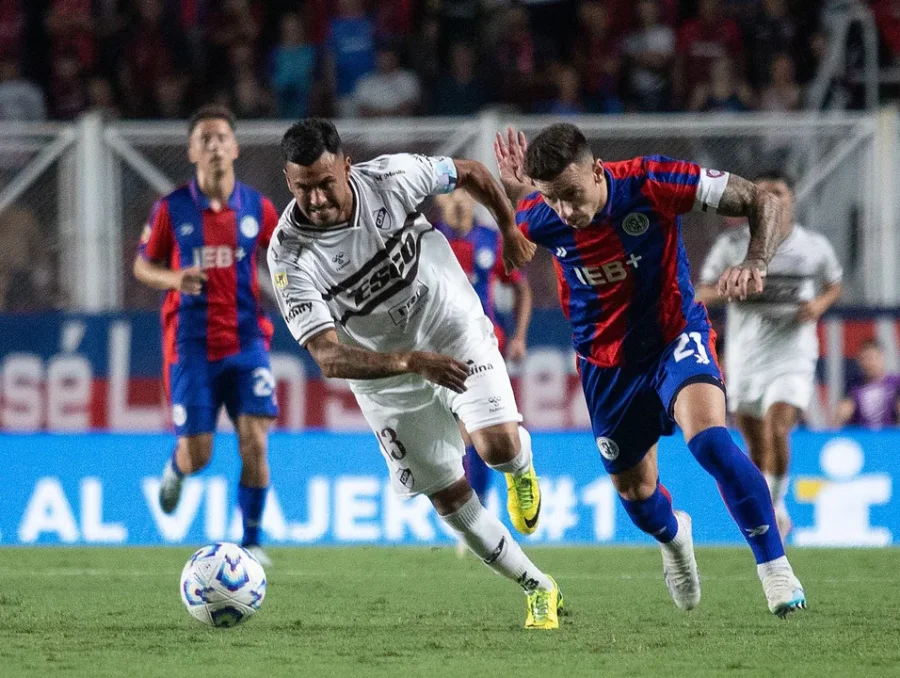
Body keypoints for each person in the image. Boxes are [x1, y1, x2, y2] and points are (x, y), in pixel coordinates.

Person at [495, 122, 806, 618]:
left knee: (710, 441)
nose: (566, 211)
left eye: (572, 194)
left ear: (598, 171)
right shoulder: (541, 215)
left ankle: (775, 569)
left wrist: (757, 260)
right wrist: (519, 191)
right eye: (553, 199)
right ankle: (675, 538)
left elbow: (760, 200)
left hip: (674, 336)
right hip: (605, 364)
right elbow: (527, 202)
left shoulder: (652, 181)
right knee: (637, 495)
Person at [268, 118, 561, 629]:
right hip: (385, 373)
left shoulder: (390, 176)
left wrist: (510, 226)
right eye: (302, 188)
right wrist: (409, 362)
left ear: (347, 166)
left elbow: (471, 173)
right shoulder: (288, 253)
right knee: (447, 495)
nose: (315, 199)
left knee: (496, 447)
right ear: (289, 181)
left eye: (325, 183)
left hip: (450, 327)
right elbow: (328, 357)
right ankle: (538, 586)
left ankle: (520, 470)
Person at [133, 105, 279, 566]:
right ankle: (176, 469)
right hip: (190, 346)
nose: (214, 145)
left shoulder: (257, 207)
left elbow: (284, 254)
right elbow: (142, 266)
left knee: (255, 439)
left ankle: (252, 542)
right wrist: (175, 279)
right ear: (192, 151)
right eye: (205, 139)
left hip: (247, 340)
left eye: (221, 138)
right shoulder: (172, 208)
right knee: (199, 455)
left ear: (235, 147)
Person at [696, 171, 842, 542]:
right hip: (746, 354)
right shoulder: (731, 245)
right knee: (757, 447)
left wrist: (819, 305)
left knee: (778, 426)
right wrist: (731, 288)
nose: (771, 198)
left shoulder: (814, 246)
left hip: (793, 352)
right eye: (762, 193)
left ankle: (772, 508)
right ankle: (772, 506)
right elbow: (701, 292)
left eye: (778, 191)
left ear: (792, 199)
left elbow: (834, 283)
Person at [433, 188, 534, 535]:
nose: (459, 199)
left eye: (465, 193)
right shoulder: (428, 240)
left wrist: (519, 337)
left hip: (484, 346)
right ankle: (471, 511)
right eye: (450, 194)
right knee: (459, 434)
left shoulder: (491, 239)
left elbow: (521, 287)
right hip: (437, 348)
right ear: (439, 201)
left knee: (474, 428)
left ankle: (475, 512)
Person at [835, 340, 900, 428]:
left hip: (889, 433)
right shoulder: (854, 385)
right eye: (864, 359)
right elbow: (843, 411)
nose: (868, 363)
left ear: (881, 357)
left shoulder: (896, 383)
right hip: (862, 433)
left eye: (871, 358)